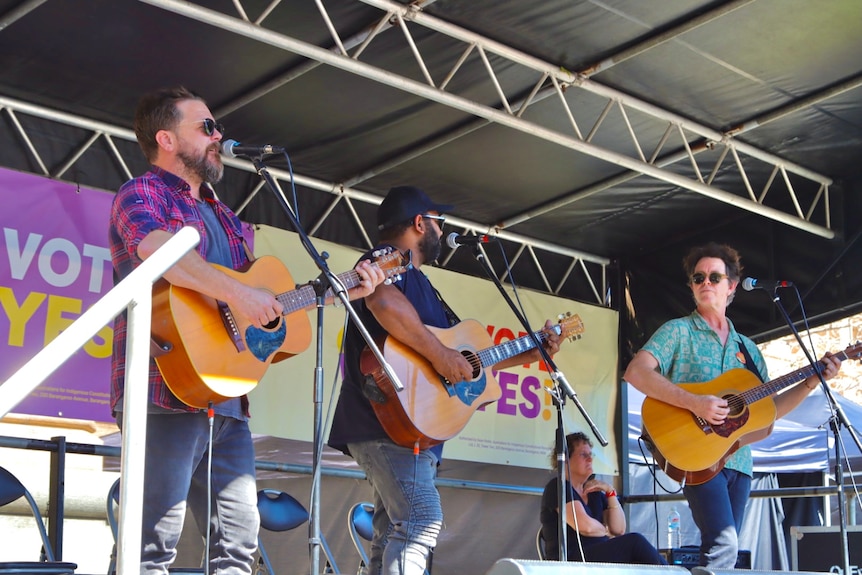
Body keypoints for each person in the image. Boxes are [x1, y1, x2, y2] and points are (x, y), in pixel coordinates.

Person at [109, 86, 384, 575]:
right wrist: (240, 296)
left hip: (228, 400)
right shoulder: (142, 193)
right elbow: (158, 250)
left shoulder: (228, 218)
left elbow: (260, 304)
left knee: (237, 545)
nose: (219, 136)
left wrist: (344, 291)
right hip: (163, 388)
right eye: (206, 127)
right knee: (148, 545)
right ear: (166, 139)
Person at [327, 185, 561, 575]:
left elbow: (468, 362)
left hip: (407, 429)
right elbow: (382, 302)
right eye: (439, 221)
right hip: (386, 421)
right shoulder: (387, 260)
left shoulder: (420, 281)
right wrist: (440, 354)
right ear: (421, 223)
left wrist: (537, 349)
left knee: (392, 532)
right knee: (421, 521)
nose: (442, 230)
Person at [623, 242, 842, 568]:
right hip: (697, 454)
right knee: (724, 545)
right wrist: (695, 403)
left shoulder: (749, 350)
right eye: (698, 278)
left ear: (732, 287)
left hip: (739, 460)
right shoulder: (678, 332)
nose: (705, 283)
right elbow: (636, 372)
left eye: (714, 277)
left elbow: (770, 411)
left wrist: (811, 381)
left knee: (724, 547)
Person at [540, 432, 666, 564]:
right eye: (584, 455)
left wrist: (610, 492)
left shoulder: (594, 492)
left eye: (591, 455)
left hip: (597, 558)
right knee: (635, 542)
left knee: (637, 554)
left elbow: (619, 529)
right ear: (565, 459)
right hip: (571, 560)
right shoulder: (557, 487)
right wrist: (606, 531)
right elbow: (585, 527)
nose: (590, 459)